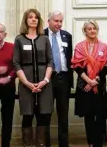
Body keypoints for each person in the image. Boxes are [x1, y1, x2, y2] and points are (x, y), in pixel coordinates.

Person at [13, 8, 54, 147]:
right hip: (26, 85)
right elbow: (16, 63)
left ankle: (41, 144)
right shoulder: (19, 39)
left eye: (36, 17)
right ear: (26, 20)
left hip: (45, 84)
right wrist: (26, 83)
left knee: (43, 116)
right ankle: (28, 144)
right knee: (27, 116)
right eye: (30, 17)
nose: (33, 19)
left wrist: (45, 81)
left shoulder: (45, 39)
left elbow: (50, 62)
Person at [71, 19, 107, 147]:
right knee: (88, 117)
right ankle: (91, 143)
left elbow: (106, 67)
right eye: (89, 28)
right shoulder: (79, 47)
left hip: (98, 86)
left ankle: (99, 143)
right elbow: (76, 66)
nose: (92, 31)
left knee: (100, 116)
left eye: (94, 28)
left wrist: (95, 81)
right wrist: (89, 81)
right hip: (85, 87)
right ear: (85, 31)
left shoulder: (104, 46)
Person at [44, 10, 73, 147]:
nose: (59, 24)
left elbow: (69, 58)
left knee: (63, 114)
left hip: (63, 78)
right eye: (56, 21)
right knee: (46, 113)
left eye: (61, 21)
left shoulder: (67, 36)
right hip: (47, 79)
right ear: (48, 21)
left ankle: (64, 143)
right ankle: (46, 143)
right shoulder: (41, 35)